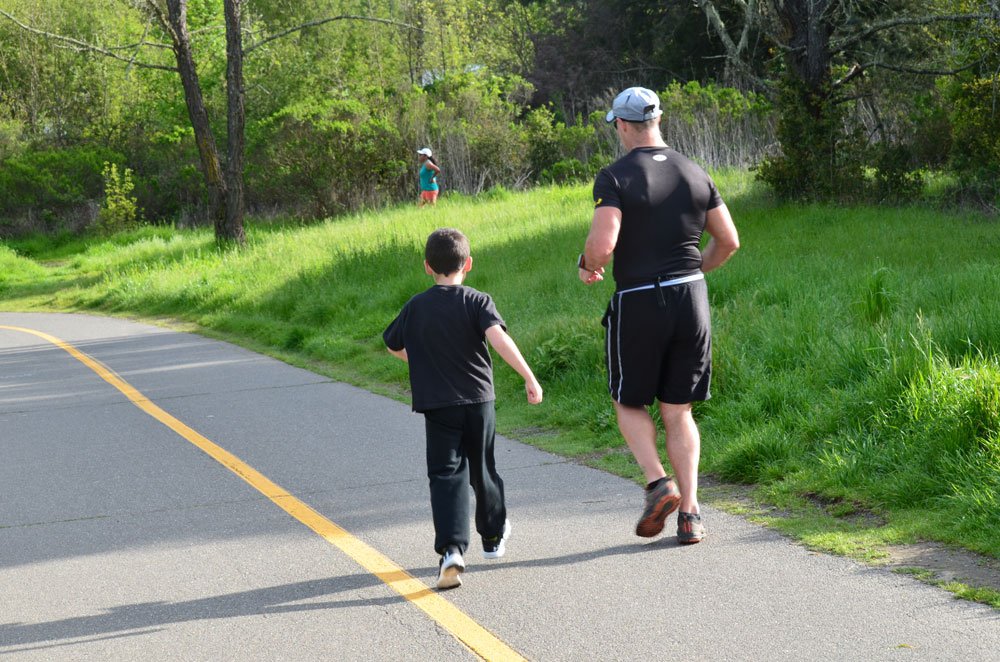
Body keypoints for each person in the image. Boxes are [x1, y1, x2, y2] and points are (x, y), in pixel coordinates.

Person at [578, 86, 739, 545]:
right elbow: (729, 241)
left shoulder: (615, 176)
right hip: (691, 299)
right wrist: (690, 271)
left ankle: (658, 483)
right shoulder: (695, 171)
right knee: (678, 409)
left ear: (621, 125)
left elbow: (603, 246)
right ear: (658, 120)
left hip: (639, 300)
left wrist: (587, 264)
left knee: (628, 400)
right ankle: (691, 515)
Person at [383, 227, 543, 589]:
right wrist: (529, 377)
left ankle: (452, 550)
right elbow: (498, 339)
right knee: (483, 467)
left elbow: (393, 344)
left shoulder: (416, 306)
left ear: (427, 266)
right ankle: (492, 537)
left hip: (438, 404)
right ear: (468, 264)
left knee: (446, 474)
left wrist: (421, 361)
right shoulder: (478, 301)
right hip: (478, 401)